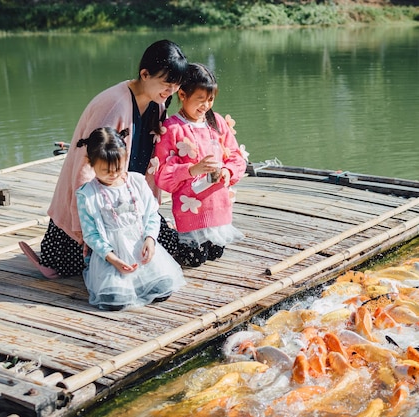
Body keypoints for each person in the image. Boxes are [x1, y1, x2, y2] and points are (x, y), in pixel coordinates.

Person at [19, 39, 189, 279]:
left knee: (170, 250)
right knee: (74, 264)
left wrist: (152, 211)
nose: (171, 90)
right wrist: (82, 227)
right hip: (95, 202)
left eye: (176, 85)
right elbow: (84, 167)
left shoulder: (158, 105)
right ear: (145, 74)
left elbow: (149, 164)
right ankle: (58, 253)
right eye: (166, 83)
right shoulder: (114, 104)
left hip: (127, 200)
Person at [75, 127, 185, 310]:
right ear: (91, 163)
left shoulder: (137, 181)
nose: (113, 174)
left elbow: (151, 214)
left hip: (139, 248)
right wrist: (113, 259)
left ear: (125, 158)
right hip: (111, 257)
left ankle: (144, 278)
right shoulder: (87, 194)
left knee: (164, 289)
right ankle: (119, 284)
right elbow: (91, 234)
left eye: (118, 168)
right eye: (105, 170)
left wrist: (150, 239)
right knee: (115, 301)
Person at [154, 63, 248, 267]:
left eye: (210, 100)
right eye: (200, 100)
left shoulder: (217, 122)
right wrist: (191, 170)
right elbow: (161, 173)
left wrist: (227, 170)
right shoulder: (172, 128)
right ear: (182, 95)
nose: (205, 106)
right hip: (191, 209)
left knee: (215, 254)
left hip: (217, 206)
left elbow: (236, 156)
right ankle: (166, 238)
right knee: (195, 260)